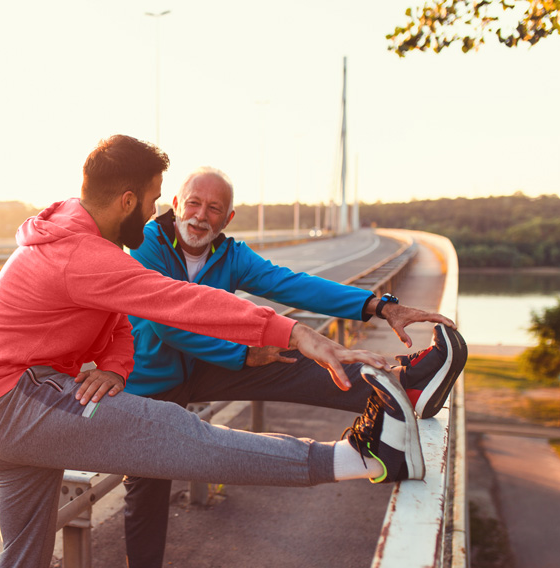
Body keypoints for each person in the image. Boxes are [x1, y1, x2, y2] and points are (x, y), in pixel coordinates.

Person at [0, 135, 465, 568]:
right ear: (127, 200)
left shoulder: (87, 240)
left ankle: (403, 387)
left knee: (24, 559)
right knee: (176, 435)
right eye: (159, 198)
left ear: (227, 217)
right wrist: (288, 334)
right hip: (22, 403)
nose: (163, 209)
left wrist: (116, 368)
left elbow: (119, 322)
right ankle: (360, 458)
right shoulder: (94, 252)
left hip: (7, 409)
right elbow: (174, 305)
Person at [121, 166, 468, 568]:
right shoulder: (148, 245)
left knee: (292, 356)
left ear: (228, 218)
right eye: (194, 203)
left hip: (202, 365)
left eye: (214, 208)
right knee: (148, 485)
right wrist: (242, 354)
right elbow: (168, 323)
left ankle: (406, 388)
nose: (201, 216)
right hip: (148, 381)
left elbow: (294, 284)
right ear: (177, 204)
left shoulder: (231, 256)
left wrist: (380, 306)